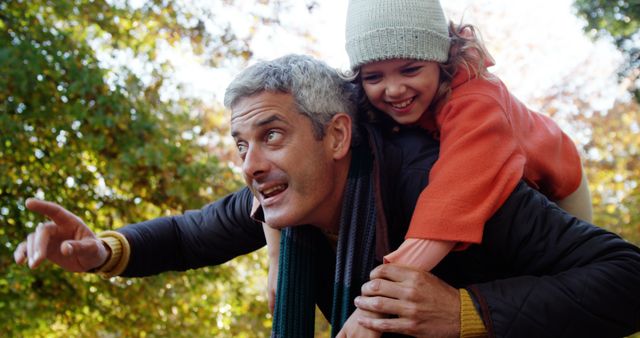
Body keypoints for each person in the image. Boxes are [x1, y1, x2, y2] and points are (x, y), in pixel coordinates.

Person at [13, 54, 640, 338]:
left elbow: (625, 278)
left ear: (337, 134)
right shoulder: (279, 198)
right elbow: (186, 234)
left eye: (273, 135)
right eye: (239, 145)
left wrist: (461, 314)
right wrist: (100, 252)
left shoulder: (437, 182)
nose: (252, 166)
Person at [337, 0, 596, 336]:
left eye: (411, 69)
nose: (394, 88)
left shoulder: (478, 103)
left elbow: (453, 200)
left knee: (569, 289)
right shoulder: (389, 99)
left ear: (440, 60)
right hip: (476, 191)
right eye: (374, 76)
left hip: (555, 185)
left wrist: (375, 305)